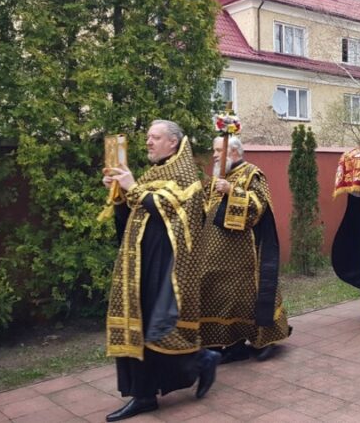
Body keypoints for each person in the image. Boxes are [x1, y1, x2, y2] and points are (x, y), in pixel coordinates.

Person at [100, 120, 219, 422]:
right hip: (138, 262)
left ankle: (201, 361)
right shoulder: (153, 174)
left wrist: (133, 187)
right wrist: (119, 193)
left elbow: (171, 211)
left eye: (155, 137)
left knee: (159, 325)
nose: (148, 142)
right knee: (140, 323)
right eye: (148, 137)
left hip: (166, 265)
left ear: (173, 142)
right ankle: (144, 395)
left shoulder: (186, 175)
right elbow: (133, 213)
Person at [198, 136, 290, 364]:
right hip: (213, 254)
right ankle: (230, 344)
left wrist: (232, 190)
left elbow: (259, 206)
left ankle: (265, 341)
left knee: (247, 299)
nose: (214, 155)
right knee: (220, 298)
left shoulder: (252, 174)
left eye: (218, 150)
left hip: (244, 254)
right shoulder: (216, 177)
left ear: (234, 152)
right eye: (214, 150)